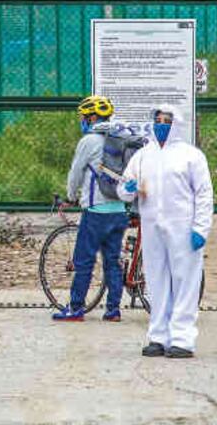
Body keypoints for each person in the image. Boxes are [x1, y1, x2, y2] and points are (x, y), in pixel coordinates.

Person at [126, 104, 214, 359]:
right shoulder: (143, 155)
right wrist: (129, 187)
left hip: (183, 228)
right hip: (152, 227)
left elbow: (204, 194)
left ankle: (183, 339)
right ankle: (158, 336)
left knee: (185, 281)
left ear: (177, 124)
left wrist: (200, 228)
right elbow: (124, 187)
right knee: (156, 280)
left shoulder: (191, 156)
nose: (161, 125)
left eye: (167, 120)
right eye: (158, 120)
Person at [51, 96, 144, 323]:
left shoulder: (89, 141)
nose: (82, 121)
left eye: (84, 117)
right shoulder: (120, 137)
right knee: (112, 260)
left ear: (92, 117)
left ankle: (75, 308)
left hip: (96, 211)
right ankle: (113, 310)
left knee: (84, 260)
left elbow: (75, 174)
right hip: (119, 210)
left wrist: (71, 197)